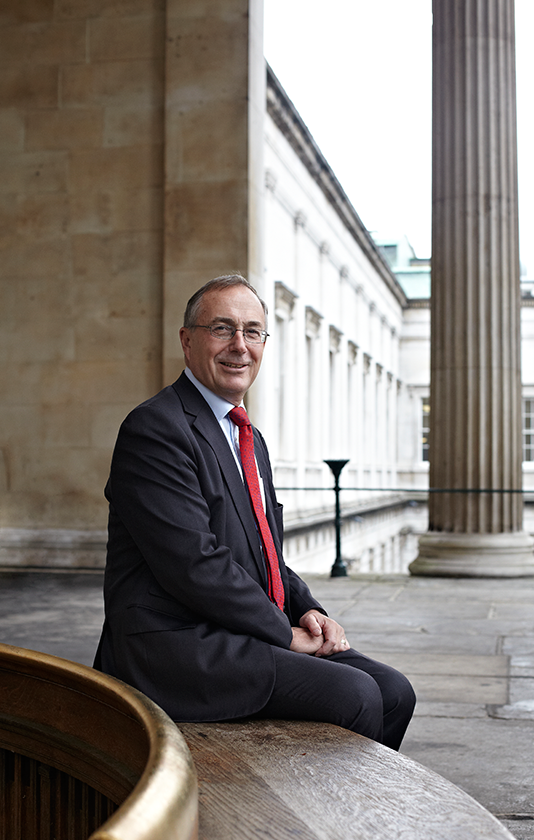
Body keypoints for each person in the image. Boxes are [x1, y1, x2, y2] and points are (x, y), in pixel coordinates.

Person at [94, 274, 415, 749]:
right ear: (187, 341)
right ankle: (311, 822)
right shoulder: (155, 430)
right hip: (174, 645)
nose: (239, 346)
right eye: (221, 329)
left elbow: (264, 548)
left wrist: (308, 611)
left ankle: (339, 817)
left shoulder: (249, 436)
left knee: (394, 692)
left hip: (232, 627)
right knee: (355, 695)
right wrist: (283, 634)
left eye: (252, 331)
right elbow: (194, 565)